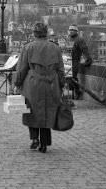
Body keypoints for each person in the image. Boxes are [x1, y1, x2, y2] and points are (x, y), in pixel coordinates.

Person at [14, 22, 64, 153]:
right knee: (47, 112)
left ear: (34, 34)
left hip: (33, 84)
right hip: (51, 84)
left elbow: (22, 69)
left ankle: (34, 138)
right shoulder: (55, 48)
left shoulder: (28, 47)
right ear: (46, 33)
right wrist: (62, 85)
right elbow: (61, 70)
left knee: (32, 112)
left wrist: (17, 83)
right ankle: (45, 143)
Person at [67, 25, 92, 99]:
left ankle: (77, 93)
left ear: (76, 31)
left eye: (72, 30)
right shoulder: (68, 39)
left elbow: (85, 49)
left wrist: (88, 59)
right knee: (68, 80)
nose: (71, 31)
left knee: (73, 79)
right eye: (70, 30)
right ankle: (72, 95)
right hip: (67, 62)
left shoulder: (79, 39)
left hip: (75, 62)